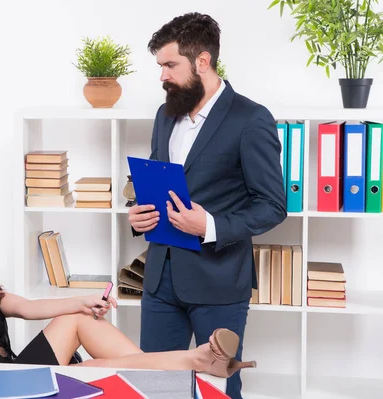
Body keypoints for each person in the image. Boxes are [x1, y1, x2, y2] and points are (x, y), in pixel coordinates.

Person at [0, 201, 256, 377]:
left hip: (13, 372)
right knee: (97, 366)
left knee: (78, 318)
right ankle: (192, 363)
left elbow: (26, 307)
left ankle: (180, 369)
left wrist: (84, 300)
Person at [128, 13, 287, 399]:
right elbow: (157, 186)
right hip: (161, 280)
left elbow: (272, 205)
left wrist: (209, 225)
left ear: (202, 61)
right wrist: (138, 214)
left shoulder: (251, 119)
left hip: (218, 284)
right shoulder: (166, 115)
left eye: (170, 65)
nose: (162, 75)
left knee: (219, 388)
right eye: (161, 66)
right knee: (154, 386)